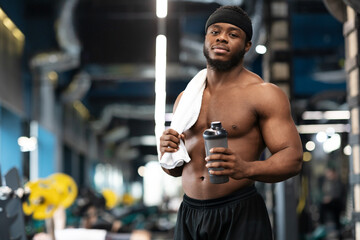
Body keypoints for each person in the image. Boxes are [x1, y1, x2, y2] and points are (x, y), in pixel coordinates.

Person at [159, 5, 303, 240]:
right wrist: (167, 151)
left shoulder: (263, 94)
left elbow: (293, 159)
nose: (222, 38)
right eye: (215, 32)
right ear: (206, 38)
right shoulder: (186, 99)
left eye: (233, 34)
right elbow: (174, 169)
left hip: (240, 211)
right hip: (190, 215)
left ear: (247, 46)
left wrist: (246, 168)